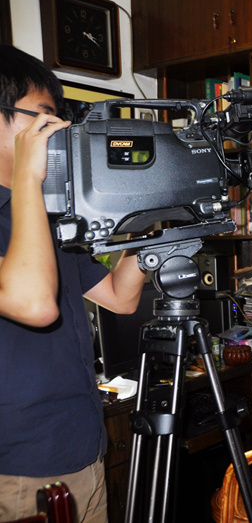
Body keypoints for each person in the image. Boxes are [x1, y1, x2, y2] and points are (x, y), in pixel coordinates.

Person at [0, 45, 148, 522]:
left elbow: (120, 298)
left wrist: (153, 228)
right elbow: (34, 304)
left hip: (82, 448)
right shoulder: (27, 209)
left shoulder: (46, 217)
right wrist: (29, 178)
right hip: (18, 469)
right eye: (44, 117)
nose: (60, 129)